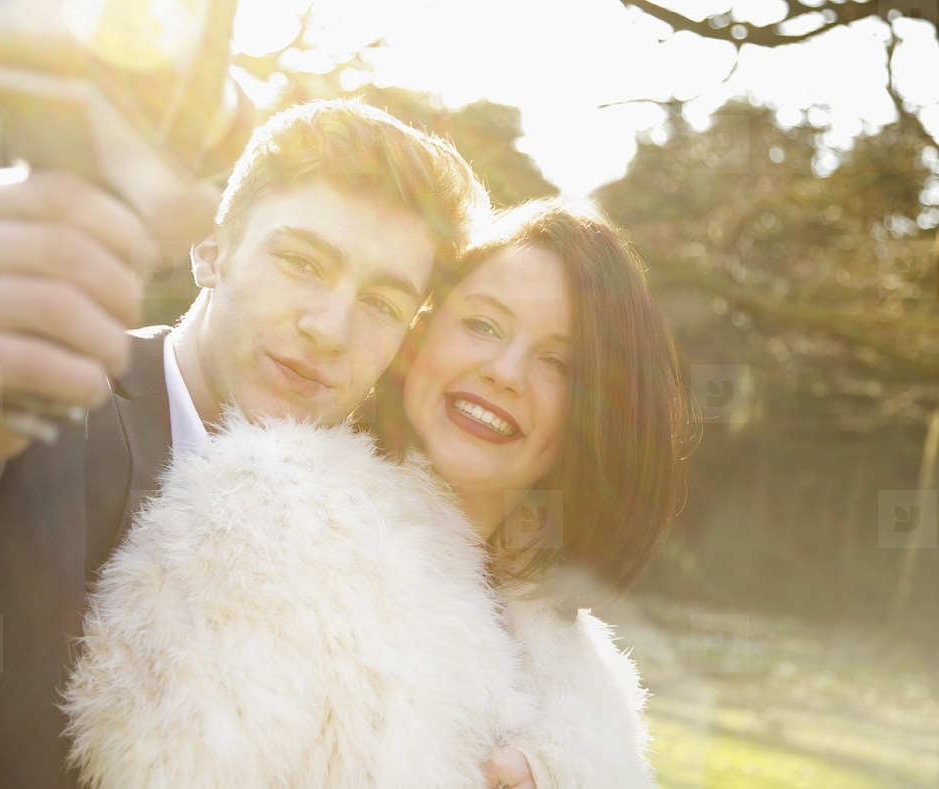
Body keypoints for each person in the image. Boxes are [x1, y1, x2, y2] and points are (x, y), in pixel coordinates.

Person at [0, 99, 488, 788]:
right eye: (302, 262)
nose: (329, 327)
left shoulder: (374, 537)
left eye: (382, 302)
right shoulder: (44, 397)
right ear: (210, 250)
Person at [61, 199, 691, 787]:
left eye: (560, 363)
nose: (504, 371)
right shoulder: (261, 511)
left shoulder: (588, 690)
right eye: (482, 324)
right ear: (419, 335)